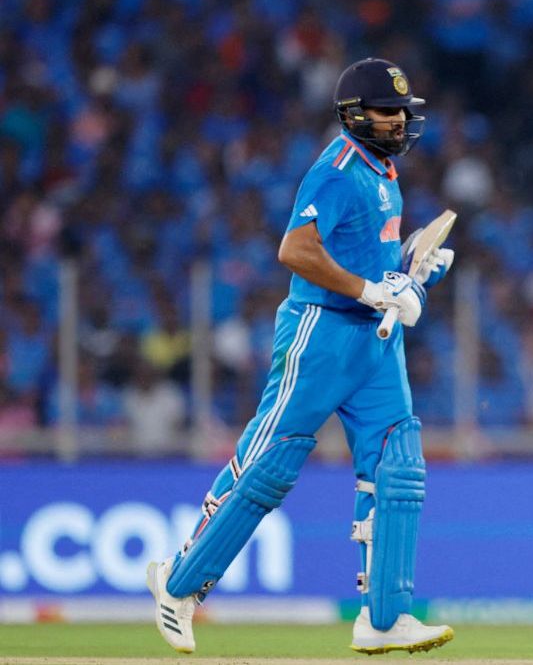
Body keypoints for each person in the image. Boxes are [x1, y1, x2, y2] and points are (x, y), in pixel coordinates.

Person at [146, 58, 456, 656]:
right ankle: (179, 585)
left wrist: (416, 275)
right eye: (387, 112)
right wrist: (373, 290)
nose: (398, 121)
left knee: (399, 465)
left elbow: (374, 261)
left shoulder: (385, 171)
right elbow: (295, 250)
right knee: (270, 464)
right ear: (354, 114)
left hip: (373, 341)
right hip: (321, 333)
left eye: (401, 111)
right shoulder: (336, 169)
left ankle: (385, 618)